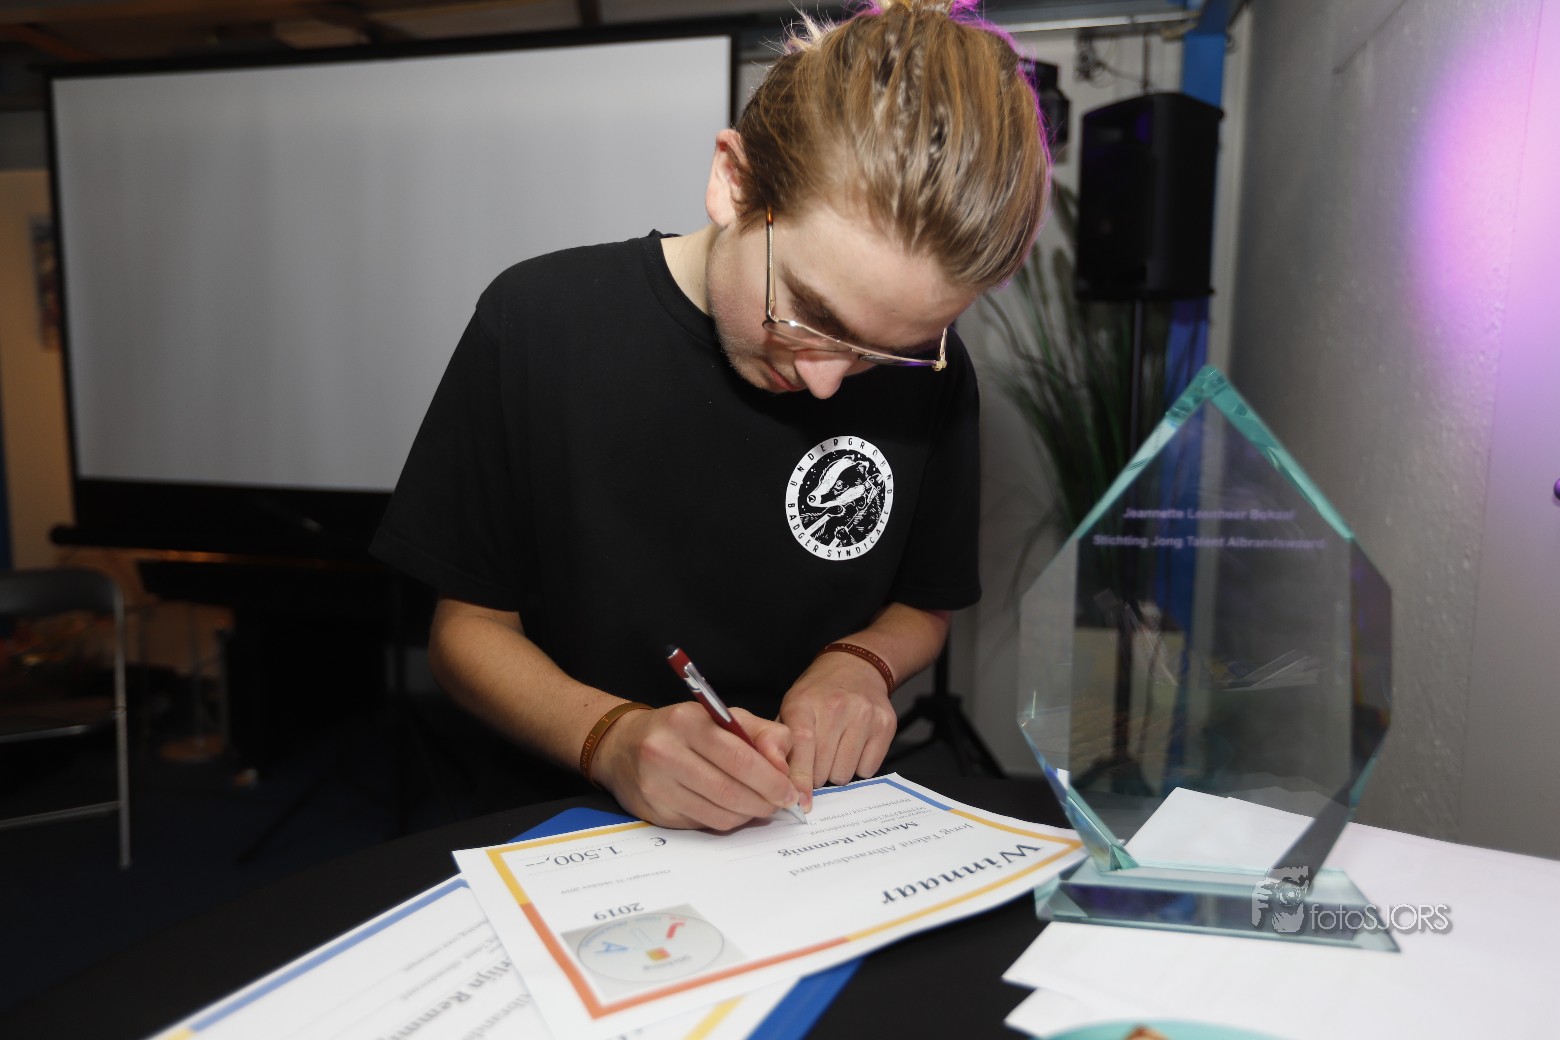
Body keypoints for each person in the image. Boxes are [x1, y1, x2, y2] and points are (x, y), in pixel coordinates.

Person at [371, 0, 1050, 831]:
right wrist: (612, 739)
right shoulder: (539, 323)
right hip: (560, 815)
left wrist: (860, 662)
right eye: (808, 313)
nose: (828, 383)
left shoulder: (936, 377)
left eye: (884, 350)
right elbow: (466, 632)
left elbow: (923, 604)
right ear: (734, 181)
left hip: (807, 828)